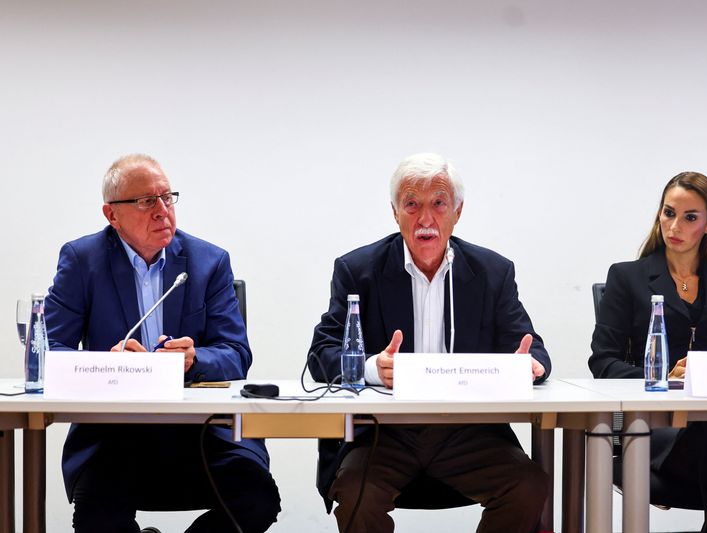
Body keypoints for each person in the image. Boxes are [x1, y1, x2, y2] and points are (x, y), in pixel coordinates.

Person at [308, 152, 551, 533]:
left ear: (457, 211)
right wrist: (371, 368)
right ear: (395, 212)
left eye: (438, 204)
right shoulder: (359, 270)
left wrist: (530, 365)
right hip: (383, 433)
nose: (425, 219)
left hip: (469, 431)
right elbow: (321, 356)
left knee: (529, 485)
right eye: (412, 205)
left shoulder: (491, 272)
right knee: (357, 494)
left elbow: (531, 349)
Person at [46, 154, 281, 533]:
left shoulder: (209, 261)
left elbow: (236, 354)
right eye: (145, 201)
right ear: (112, 215)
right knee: (98, 516)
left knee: (257, 500)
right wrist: (108, 363)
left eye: (167, 198)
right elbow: (49, 351)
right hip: (114, 435)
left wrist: (194, 358)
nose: (161, 211)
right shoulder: (82, 260)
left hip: (203, 431)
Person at [588, 171, 707, 532]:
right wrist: (662, 377)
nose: (675, 226)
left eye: (689, 217)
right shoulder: (628, 277)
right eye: (669, 213)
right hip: (654, 431)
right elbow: (603, 362)